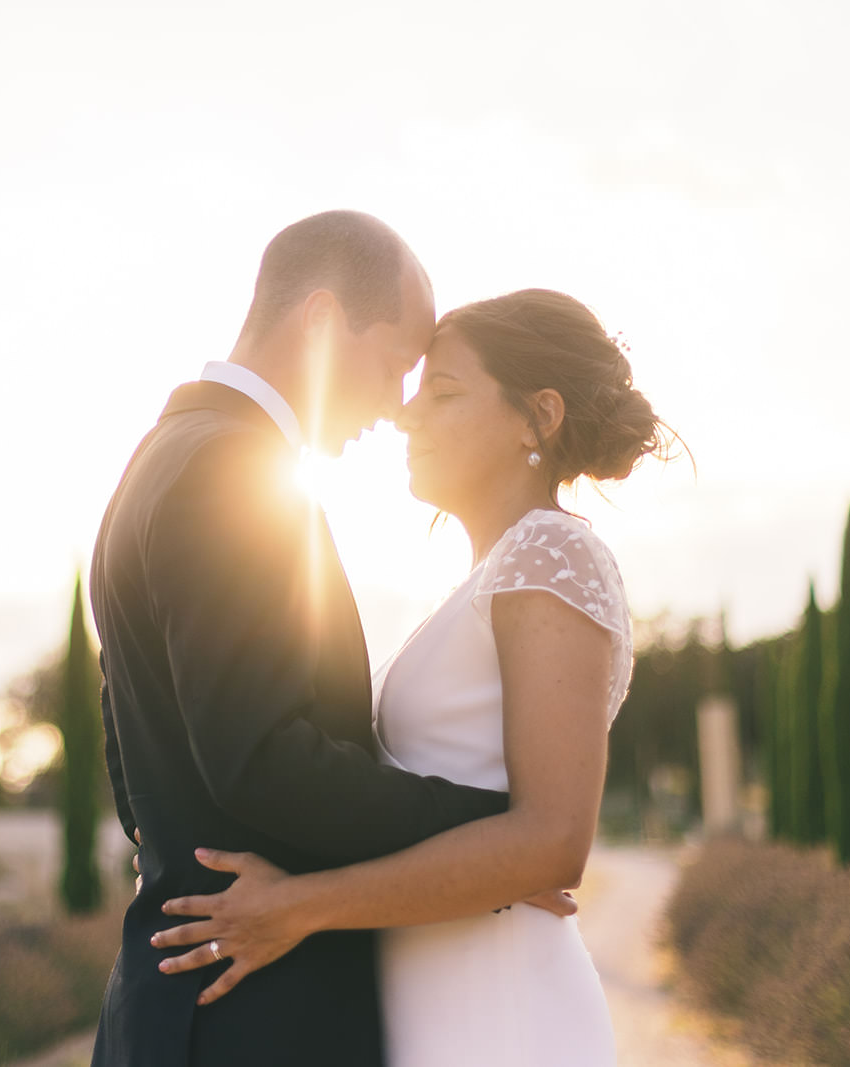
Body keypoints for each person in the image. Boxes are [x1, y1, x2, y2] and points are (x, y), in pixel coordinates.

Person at [87, 213, 575, 1067]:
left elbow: (128, 753)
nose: (396, 405)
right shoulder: (231, 471)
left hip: (175, 1005)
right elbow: (263, 758)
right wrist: (497, 833)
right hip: (257, 1019)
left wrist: (178, 858)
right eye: (393, 365)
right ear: (319, 322)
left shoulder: (158, 458)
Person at [150, 288, 670, 1066]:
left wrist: (299, 907)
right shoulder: (483, 580)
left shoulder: (550, 555)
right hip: (424, 995)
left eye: (444, 391)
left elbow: (554, 840)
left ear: (541, 416)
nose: (406, 412)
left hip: (499, 1006)